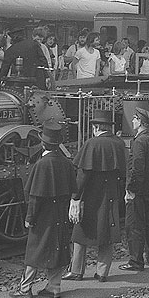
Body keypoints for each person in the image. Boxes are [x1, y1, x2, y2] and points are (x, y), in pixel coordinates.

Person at [10, 122, 76, 298]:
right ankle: (54, 287)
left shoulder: (41, 165)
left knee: (35, 250)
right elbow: (74, 189)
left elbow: (35, 196)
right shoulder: (66, 163)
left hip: (43, 215)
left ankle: (25, 289)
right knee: (58, 248)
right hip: (60, 214)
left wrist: (29, 217)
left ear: (43, 144)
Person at [63, 109, 126, 283]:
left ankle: (76, 271)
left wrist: (75, 198)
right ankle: (102, 273)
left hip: (91, 196)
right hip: (111, 194)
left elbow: (82, 175)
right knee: (107, 232)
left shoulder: (92, 144)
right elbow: (123, 171)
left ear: (96, 127)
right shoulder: (119, 143)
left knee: (79, 233)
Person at [120, 108, 149, 271]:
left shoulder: (139, 142)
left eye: (134, 119)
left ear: (140, 121)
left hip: (138, 191)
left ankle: (136, 261)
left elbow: (137, 168)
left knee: (134, 225)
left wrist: (131, 190)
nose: (132, 121)